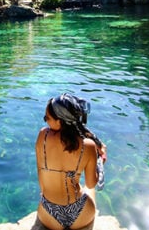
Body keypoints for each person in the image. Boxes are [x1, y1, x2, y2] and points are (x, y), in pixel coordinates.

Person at [35, 93, 107, 230]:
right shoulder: (88, 145)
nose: (45, 121)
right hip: (80, 215)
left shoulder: (42, 136)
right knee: (86, 189)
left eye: (47, 118)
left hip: (48, 215)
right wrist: (101, 161)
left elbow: (40, 176)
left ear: (60, 121)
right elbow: (91, 184)